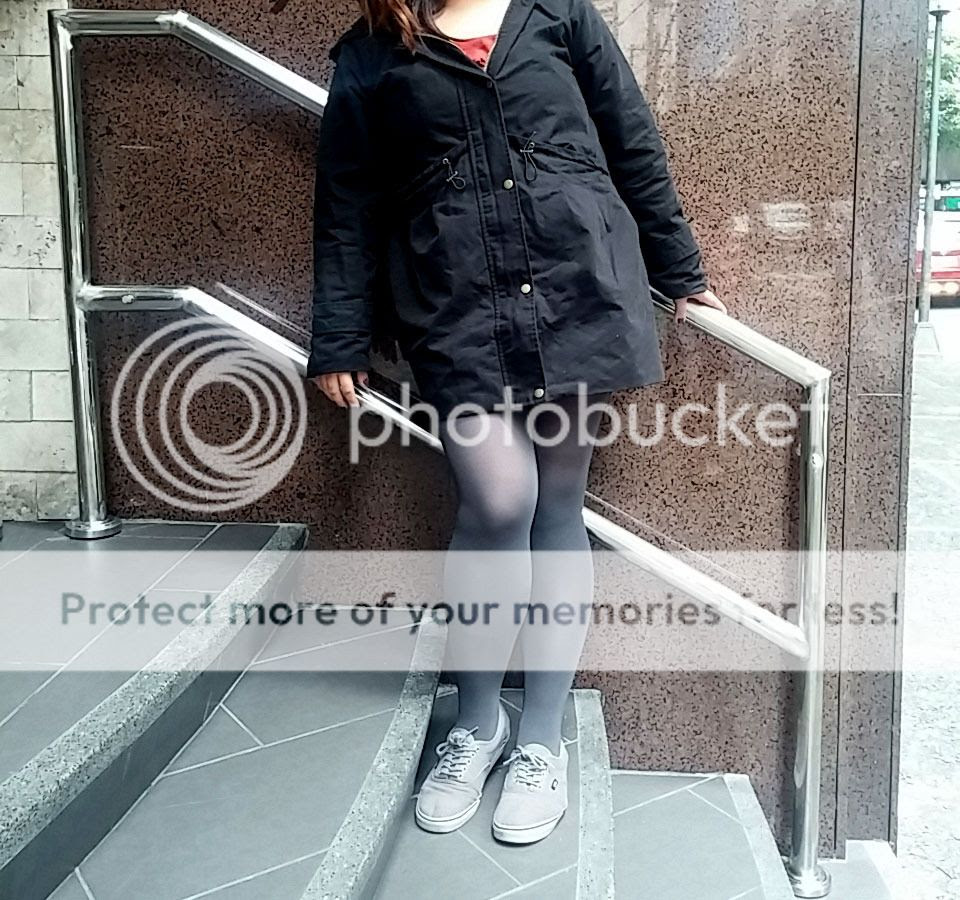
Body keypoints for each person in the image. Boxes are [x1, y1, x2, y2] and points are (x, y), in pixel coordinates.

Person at [308, 0, 726, 845]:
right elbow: (347, 200)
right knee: (499, 502)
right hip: (454, 305)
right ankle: (476, 724)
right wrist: (340, 335)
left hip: (577, 287)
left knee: (558, 507)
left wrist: (680, 268)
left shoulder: (557, 13)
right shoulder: (373, 52)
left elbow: (631, 138)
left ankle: (539, 738)